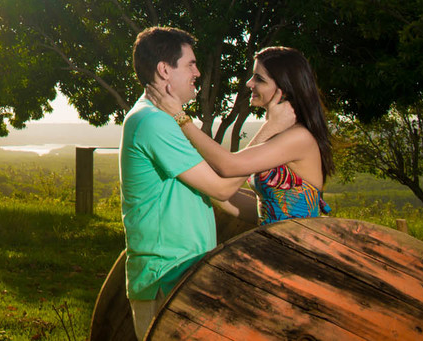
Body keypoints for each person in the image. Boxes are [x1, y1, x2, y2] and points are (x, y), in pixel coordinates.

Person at [120, 27, 248, 341]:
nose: (198, 72)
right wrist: (272, 138)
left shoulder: (161, 120)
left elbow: (218, 197)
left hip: (181, 276)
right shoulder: (153, 122)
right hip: (166, 279)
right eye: (190, 64)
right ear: (165, 69)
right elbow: (220, 187)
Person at [146, 45, 334, 224]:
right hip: (276, 243)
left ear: (282, 90)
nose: (249, 83)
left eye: (259, 79)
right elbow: (267, 208)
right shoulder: (282, 136)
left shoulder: (299, 138)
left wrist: (180, 117)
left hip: (297, 248)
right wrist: (208, 187)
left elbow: (228, 166)